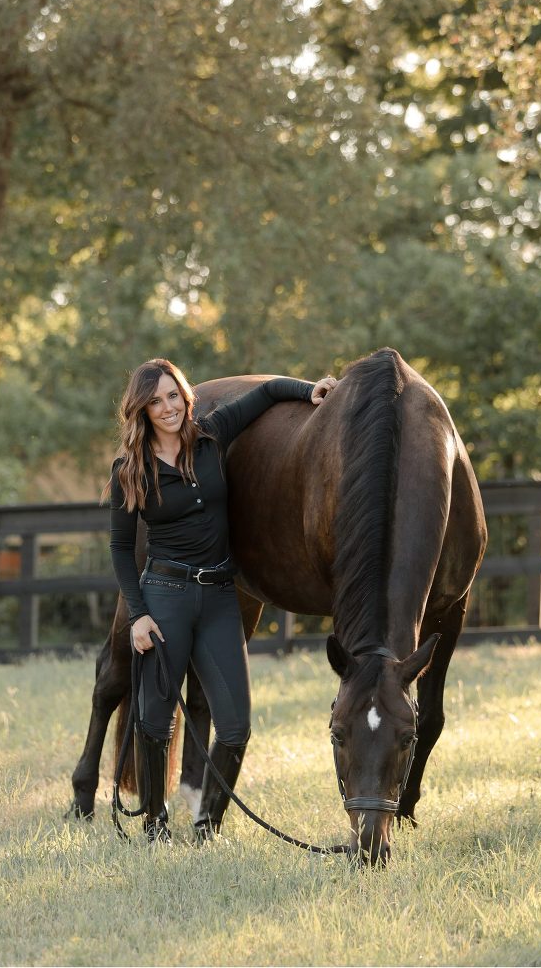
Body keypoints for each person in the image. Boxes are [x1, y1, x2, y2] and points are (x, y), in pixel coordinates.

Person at [107, 358, 336, 844]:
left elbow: (268, 391)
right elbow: (121, 550)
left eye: (173, 395)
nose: (167, 407)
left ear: (185, 396)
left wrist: (311, 390)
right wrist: (139, 615)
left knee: (235, 726)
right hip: (165, 597)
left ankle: (208, 825)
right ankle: (155, 824)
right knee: (154, 721)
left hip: (218, 599)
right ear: (142, 409)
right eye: (155, 401)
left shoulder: (211, 436)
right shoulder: (130, 469)